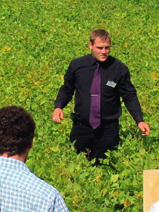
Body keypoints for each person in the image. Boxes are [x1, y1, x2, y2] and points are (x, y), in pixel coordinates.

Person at [52, 28, 150, 161]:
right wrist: (59, 106)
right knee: (77, 166)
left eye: (107, 48)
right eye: (99, 48)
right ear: (90, 45)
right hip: (81, 128)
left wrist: (139, 119)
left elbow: (129, 96)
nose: (103, 52)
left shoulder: (119, 68)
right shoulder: (77, 65)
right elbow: (67, 89)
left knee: (106, 167)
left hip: (108, 130)